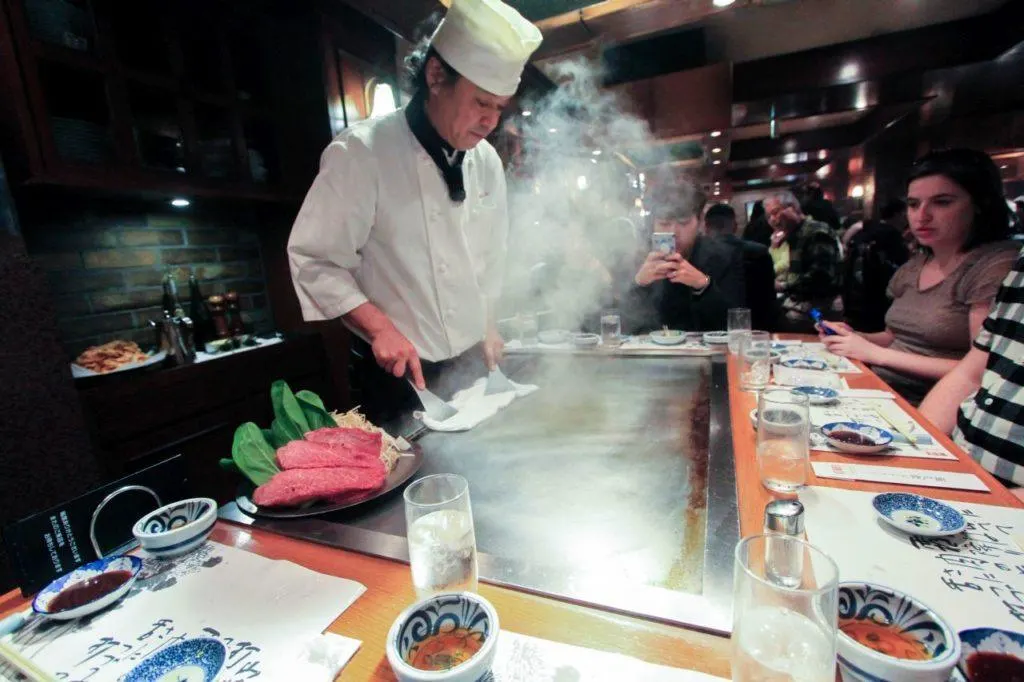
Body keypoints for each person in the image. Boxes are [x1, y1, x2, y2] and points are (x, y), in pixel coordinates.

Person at [287, 0, 541, 423]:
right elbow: (315, 260)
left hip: (474, 364)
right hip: (400, 375)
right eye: (481, 102)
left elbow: (491, 258)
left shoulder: (487, 162)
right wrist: (379, 329)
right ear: (437, 76)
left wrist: (490, 324)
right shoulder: (363, 152)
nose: (490, 122)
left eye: (500, 107)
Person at [821, 149, 1019, 405]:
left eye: (942, 202)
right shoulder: (917, 264)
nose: (922, 215)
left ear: (981, 205)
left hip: (932, 406)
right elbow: (895, 337)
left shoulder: (994, 265)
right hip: (879, 388)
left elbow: (985, 370)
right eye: (914, 204)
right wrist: (855, 337)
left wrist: (874, 354)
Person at [919, 245, 1023, 493]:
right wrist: (917, 447)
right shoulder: (1020, 266)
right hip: (962, 464)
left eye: (943, 203)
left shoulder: (994, 263)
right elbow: (971, 373)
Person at [627, 180, 745, 332]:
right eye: (664, 223)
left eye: (684, 222)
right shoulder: (638, 258)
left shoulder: (724, 257)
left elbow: (738, 324)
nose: (674, 232)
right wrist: (639, 285)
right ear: (652, 225)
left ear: (700, 221)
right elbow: (623, 326)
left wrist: (703, 285)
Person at [765, 191, 843, 331]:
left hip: (818, 308)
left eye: (775, 212)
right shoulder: (794, 235)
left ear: (793, 208)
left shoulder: (817, 231)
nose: (772, 219)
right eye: (769, 216)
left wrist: (783, 286)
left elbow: (820, 277)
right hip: (803, 305)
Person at [704, 203, 778, 331]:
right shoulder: (759, 251)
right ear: (735, 226)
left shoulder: (701, 254)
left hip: (713, 330)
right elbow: (769, 297)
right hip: (758, 327)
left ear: (706, 227)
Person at [841, 199, 910, 332]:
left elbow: (846, 243)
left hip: (852, 300)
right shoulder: (892, 236)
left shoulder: (866, 229)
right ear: (899, 214)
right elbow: (901, 270)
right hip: (878, 302)